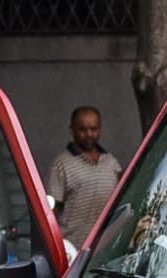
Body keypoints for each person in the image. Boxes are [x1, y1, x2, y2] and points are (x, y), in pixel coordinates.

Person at [46, 105, 124, 250]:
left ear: (100, 129)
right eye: (82, 129)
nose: (89, 134)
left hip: (104, 250)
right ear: (72, 130)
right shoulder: (61, 164)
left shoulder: (112, 163)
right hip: (73, 250)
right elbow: (51, 212)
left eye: (93, 129)